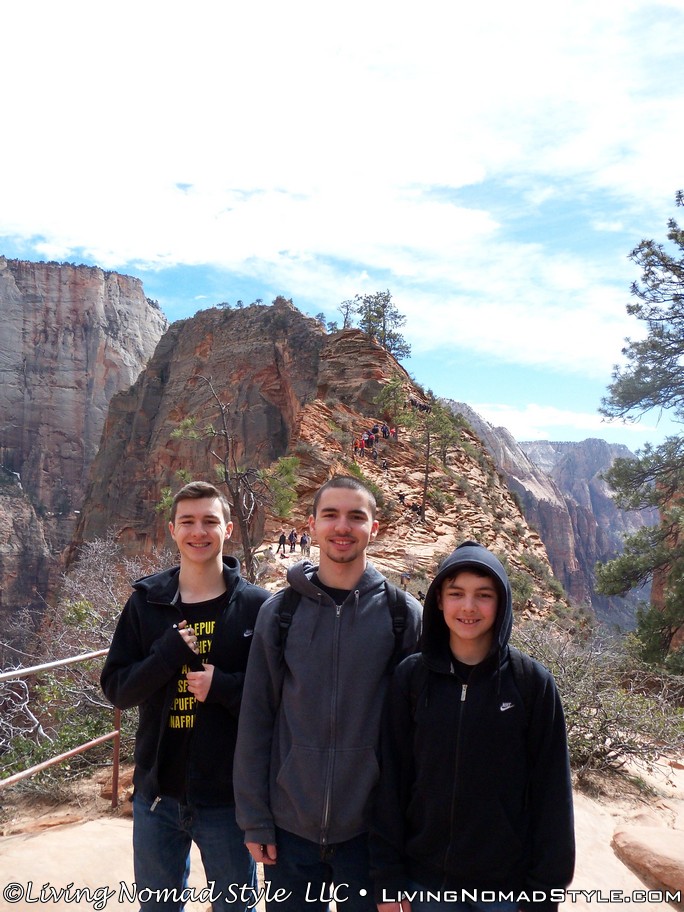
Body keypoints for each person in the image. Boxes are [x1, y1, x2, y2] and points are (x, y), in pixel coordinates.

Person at [234, 475, 423, 912]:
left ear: (374, 527)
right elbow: (257, 716)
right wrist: (255, 819)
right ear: (312, 524)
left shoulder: (402, 615)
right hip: (289, 831)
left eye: (356, 516)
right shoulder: (280, 612)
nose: (342, 526)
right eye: (331, 515)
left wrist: (407, 835)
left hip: (370, 834)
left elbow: (417, 734)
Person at [370, 541, 575, 912]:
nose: (468, 607)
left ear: (502, 603)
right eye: (456, 594)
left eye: (483, 595)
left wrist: (545, 894)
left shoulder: (531, 683)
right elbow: (391, 782)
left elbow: (552, 794)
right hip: (424, 884)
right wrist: (387, 880)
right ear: (438, 600)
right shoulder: (412, 678)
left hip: (505, 890)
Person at [101, 481, 270, 912]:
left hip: (229, 801)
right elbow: (118, 689)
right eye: (188, 522)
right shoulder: (147, 603)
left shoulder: (257, 607)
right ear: (172, 530)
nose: (199, 532)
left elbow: (277, 698)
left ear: (227, 529)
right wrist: (166, 656)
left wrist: (223, 687)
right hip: (157, 797)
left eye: (210, 521)